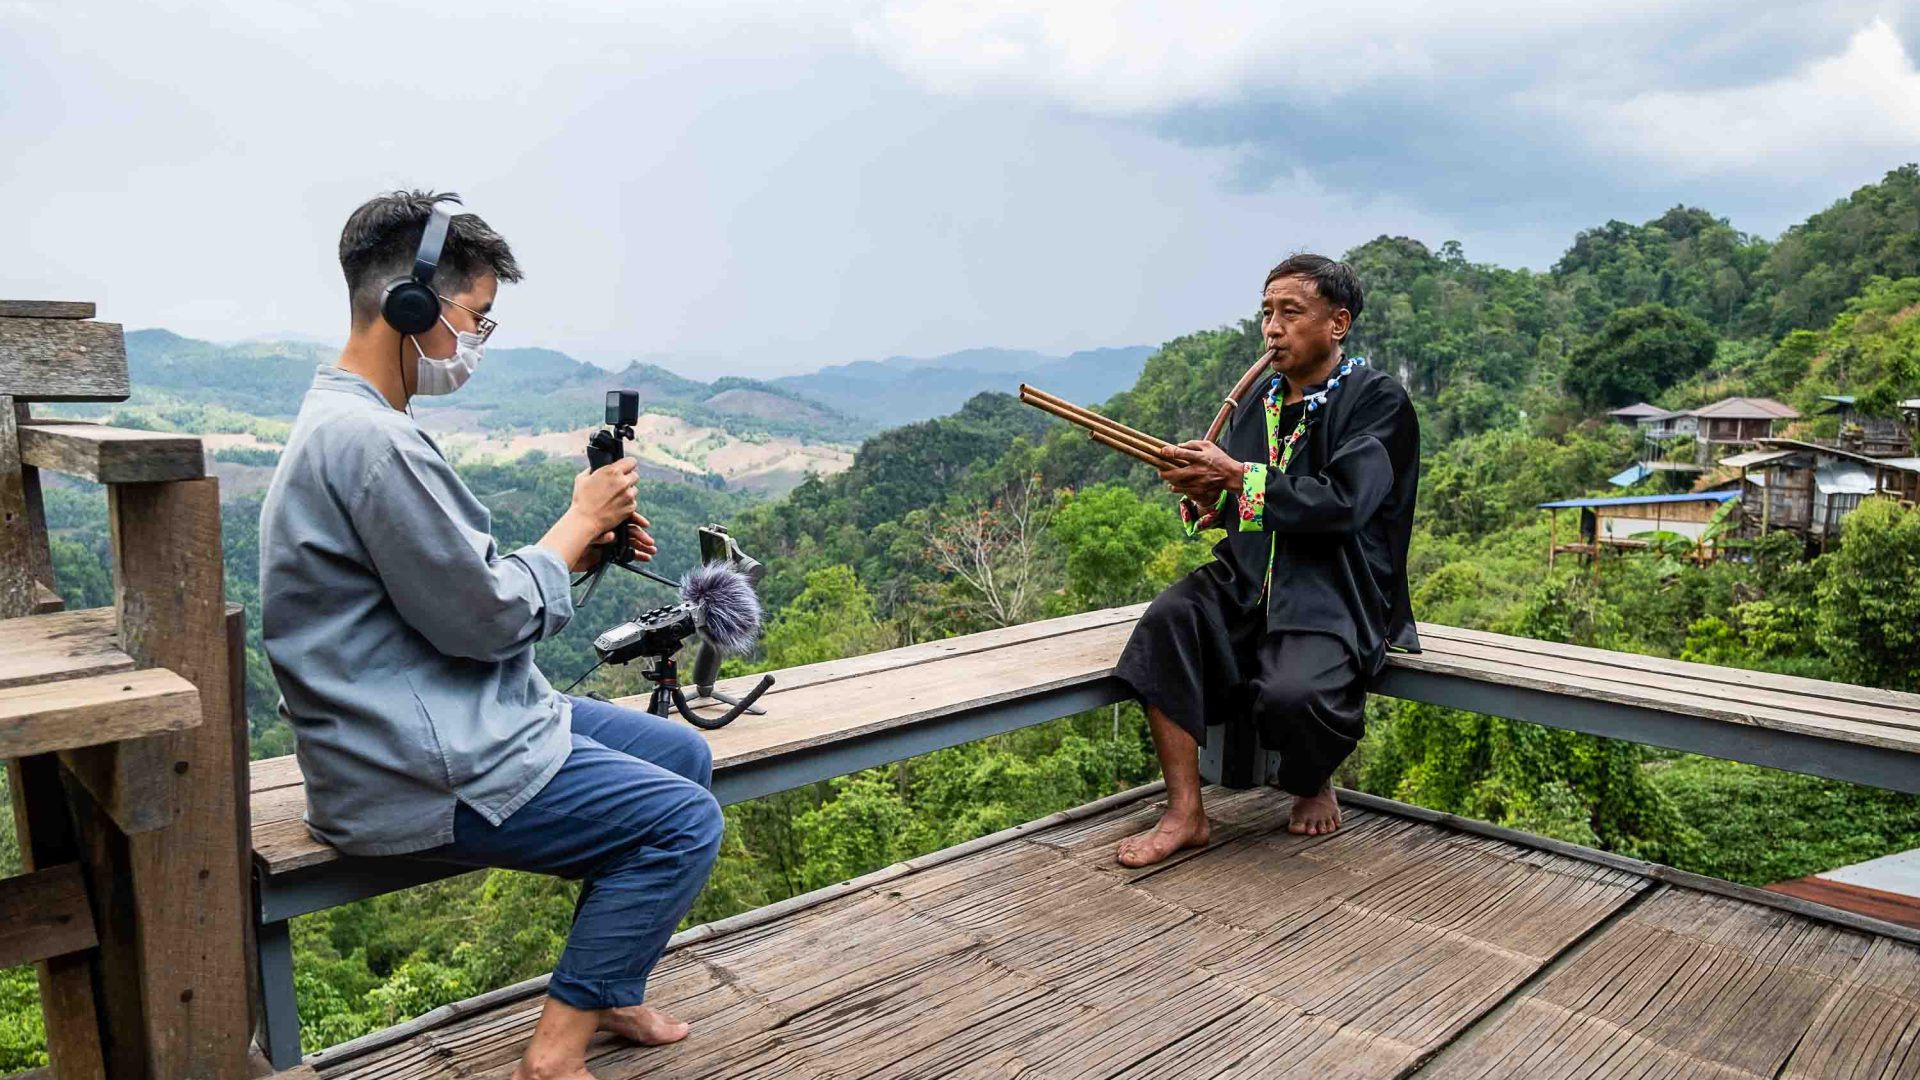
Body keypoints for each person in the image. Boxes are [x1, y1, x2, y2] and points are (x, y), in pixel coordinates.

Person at [259, 190, 722, 1080]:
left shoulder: (356, 424)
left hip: (435, 718)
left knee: (682, 760)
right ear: (412, 304)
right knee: (682, 823)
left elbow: (459, 593)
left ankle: (610, 983)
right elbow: (490, 619)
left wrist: (582, 541)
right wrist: (577, 517)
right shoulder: (370, 443)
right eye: (477, 317)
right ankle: (552, 1056)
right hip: (413, 766)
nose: (474, 343)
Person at [1114, 254, 1420, 867]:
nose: (1272, 329)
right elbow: (1248, 508)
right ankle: (1186, 812)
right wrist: (1207, 497)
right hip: (1249, 576)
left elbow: (1343, 505)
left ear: (1337, 323)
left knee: (1293, 694)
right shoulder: (1261, 401)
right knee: (1167, 622)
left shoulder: (1377, 402)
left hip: (1333, 587)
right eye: (1266, 313)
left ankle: (1310, 779)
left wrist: (1238, 475)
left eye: (1290, 312)